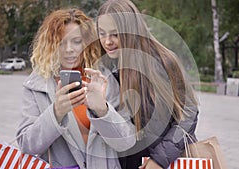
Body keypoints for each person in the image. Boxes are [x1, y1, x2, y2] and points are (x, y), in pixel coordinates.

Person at [16, 8, 135, 169]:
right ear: (50, 45)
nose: (69, 49)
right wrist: (56, 112)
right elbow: (27, 145)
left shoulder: (102, 79)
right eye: (61, 42)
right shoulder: (36, 85)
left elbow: (126, 142)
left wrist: (103, 111)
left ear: (86, 42)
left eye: (76, 41)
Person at [95, 0, 199, 169]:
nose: (107, 41)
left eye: (115, 34)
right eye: (102, 33)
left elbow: (188, 114)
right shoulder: (111, 68)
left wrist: (159, 160)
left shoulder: (162, 61)